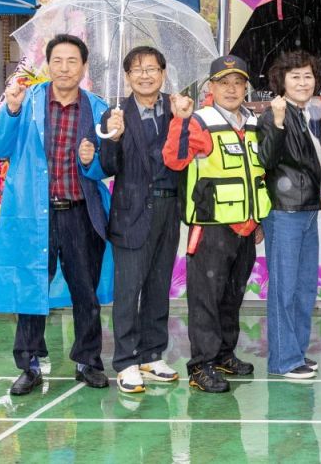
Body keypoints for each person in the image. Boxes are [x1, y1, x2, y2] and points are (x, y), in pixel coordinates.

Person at [0, 33, 112, 395]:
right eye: (58, 60)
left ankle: (88, 361)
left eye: (72, 61)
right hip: (34, 215)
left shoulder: (98, 108)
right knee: (31, 287)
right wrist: (10, 111)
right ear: (48, 64)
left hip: (80, 213)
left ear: (83, 67)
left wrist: (93, 160)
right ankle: (29, 365)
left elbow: (107, 167)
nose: (64, 68)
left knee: (85, 291)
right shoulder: (26, 102)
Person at [163, 55, 271, 393]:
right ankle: (201, 366)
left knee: (232, 297)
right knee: (205, 300)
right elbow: (174, 159)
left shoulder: (253, 123)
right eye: (224, 83)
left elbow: (258, 174)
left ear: (246, 87)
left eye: (238, 83)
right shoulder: (199, 121)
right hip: (211, 227)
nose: (232, 89)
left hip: (246, 228)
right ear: (211, 87)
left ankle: (224, 354)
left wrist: (257, 220)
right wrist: (180, 121)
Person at [97, 46, 181, 393]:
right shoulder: (115, 114)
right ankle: (126, 361)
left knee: (159, 287)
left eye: (151, 69)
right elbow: (107, 166)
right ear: (128, 77)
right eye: (137, 69)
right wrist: (112, 138)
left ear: (163, 73)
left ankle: (152, 354)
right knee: (129, 290)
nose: (145, 75)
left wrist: (185, 120)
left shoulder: (177, 110)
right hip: (131, 213)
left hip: (169, 209)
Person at [257, 50, 321, 380]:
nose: (303, 83)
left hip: (309, 211)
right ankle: (283, 360)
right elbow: (266, 161)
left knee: (304, 288)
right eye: (295, 77)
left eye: (308, 76)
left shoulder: (312, 114)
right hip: (284, 211)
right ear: (282, 81)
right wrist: (276, 123)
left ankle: (297, 352)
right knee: (284, 289)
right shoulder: (273, 115)